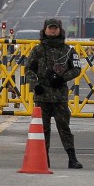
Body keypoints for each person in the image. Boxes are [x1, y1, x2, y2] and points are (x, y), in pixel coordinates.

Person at [25, 18, 83, 169]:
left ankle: (72, 158)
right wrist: (35, 84)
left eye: (55, 28)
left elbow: (77, 69)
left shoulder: (68, 50)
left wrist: (63, 78)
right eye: (50, 28)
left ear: (60, 30)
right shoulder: (37, 50)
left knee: (64, 128)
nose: (52, 31)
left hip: (59, 95)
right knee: (43, 129)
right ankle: (44, 159)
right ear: (44, 30)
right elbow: (28, 69)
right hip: (42, 94)